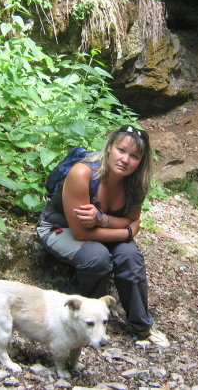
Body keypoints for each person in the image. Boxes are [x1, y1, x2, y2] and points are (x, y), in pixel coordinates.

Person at [37, 125, 169, 347]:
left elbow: (132, 219)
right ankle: (91, 322)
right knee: (97, 256)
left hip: (100, 231)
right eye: (121, 150)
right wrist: (127, 232)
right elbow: (81, 232)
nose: (125, 160)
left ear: (141, 161)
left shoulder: (136, 183)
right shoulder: (82, 173)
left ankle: (142, 326)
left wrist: (102, 219)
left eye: (134, 156)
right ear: (109, 147)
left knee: (130, 256)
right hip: (60, 228)